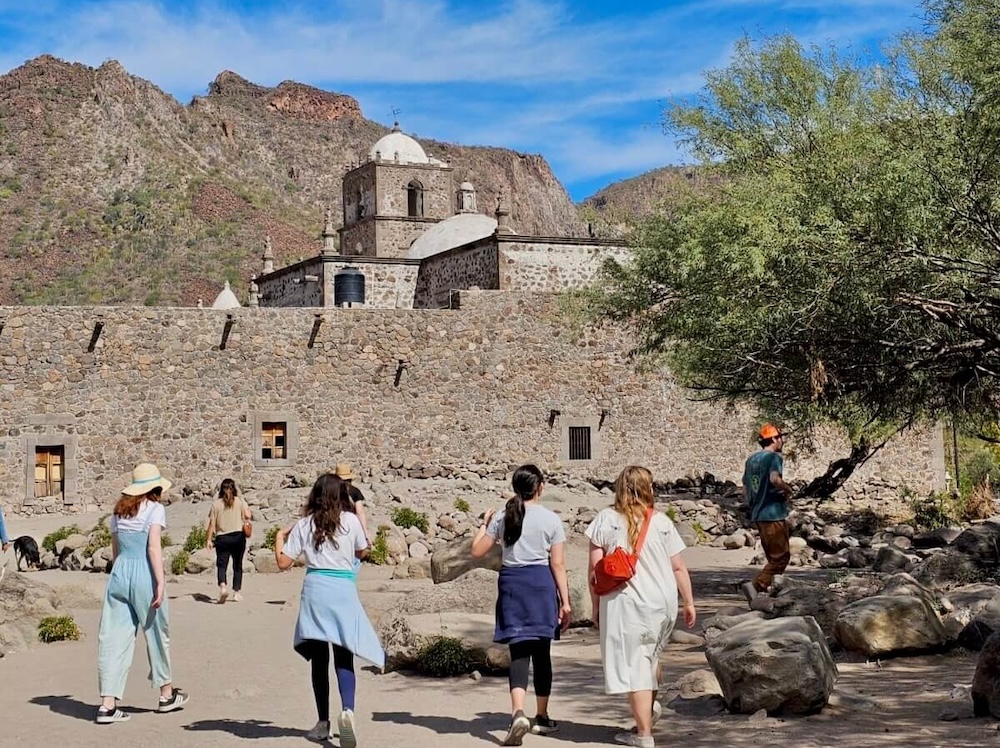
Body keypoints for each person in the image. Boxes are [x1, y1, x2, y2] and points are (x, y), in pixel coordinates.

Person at [585, 466, 696, 748]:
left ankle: (643, 734)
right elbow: (679, 567)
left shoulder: (606, 519)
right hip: (662, 603)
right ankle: (647, 712)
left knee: (636, 666)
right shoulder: (660, 522)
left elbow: (595, 572)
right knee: (649, 659)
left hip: (627, 605)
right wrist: (689, 602)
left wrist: (596, 606)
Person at [274, 473, 385, 748]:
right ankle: (347, 710)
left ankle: (323, 722)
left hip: (315, 590)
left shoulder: (304, 524)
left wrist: (278, 537)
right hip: (342, 589)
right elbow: (362, 552)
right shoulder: (350, 521)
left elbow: (283, 563)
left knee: (319, 658)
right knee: (344, 653)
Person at [471, 464, 571, 746]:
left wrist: (483, 524)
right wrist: (565, 602)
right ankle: (541, 715)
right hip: (540, 584)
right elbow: (558, 564)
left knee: (518, 651)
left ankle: (518, 713)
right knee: (542, 652)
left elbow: (476, 551)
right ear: (540, 487)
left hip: (512, 583)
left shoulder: (503, 517)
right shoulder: (551, 519)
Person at [96, 463, 189, 724]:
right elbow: (153, 549)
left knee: (113, 637)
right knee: (157, 633)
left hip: (120, 571)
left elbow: (115, 549)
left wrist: (118, 574)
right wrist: (160, 582)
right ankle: (166, 694)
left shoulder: (117, 512)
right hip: (144, 573)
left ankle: (107, 704)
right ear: (155, 488)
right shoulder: (155, 509)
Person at [741, 423, 794, 601]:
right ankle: (757, 585)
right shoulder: (774, 458)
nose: (782, 440)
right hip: (773, 514)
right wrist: (787, 489)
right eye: (780, 437)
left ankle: (766, 593)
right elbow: (774, 479)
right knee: (781, 557)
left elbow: (745, 488)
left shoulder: (751, 460)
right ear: (773, 439)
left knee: (772, 557)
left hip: (758, 514)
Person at [205, 478, 252, 603]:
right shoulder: (239, 501)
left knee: (222, 565)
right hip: (238, 536)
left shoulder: (216, 504)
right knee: (237, 565)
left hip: (222, 538)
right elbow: (248, 515)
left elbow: (212, 524)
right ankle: (236, 592)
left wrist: (209, 539)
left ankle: (223, 587)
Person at [334, 463, 372, 545]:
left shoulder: (331, 491)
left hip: (334, 524)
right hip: (351, 525)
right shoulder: (354, 491)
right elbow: (359, 512)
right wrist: (365, 532)